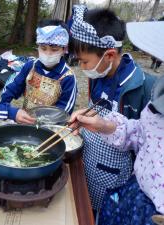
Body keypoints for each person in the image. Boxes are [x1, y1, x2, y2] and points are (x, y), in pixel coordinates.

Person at [69, 5, 156, 214]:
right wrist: (84, 117)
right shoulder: (98, 76)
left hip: (116, 174)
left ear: (108, 55)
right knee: (85, 203)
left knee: (105, 211)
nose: (82, 68)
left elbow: (146, 141)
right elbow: (96, 109)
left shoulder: (144, 87)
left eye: (84, 61)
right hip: (89, 158)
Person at [69, 76, 164, 225]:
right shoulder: (160, 96)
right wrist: (105, 125)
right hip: (133, 196)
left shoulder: (139, 85)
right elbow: (142, 133)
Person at [0, 19, 77, 114]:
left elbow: (65, 109)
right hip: (26, 119)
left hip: (50, 125)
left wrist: (45, 121)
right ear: (38, 47)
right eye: (43, 48)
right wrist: (4, 106)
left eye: (54, 50)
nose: (48, 53)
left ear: (64, 50)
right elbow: (14, 87)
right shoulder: (30, 66)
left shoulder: (68, 77)